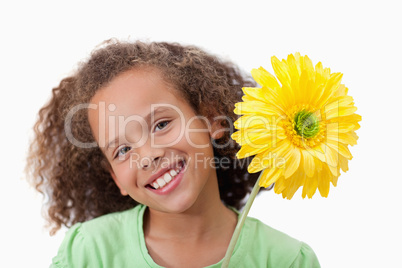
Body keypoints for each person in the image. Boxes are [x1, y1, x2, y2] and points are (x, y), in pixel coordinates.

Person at [26, 39, 320, 267]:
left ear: (213, 119)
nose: (148, 155)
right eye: (123, 150)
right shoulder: (89, 252)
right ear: (115, 178)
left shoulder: (287, 260)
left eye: (161, 124)